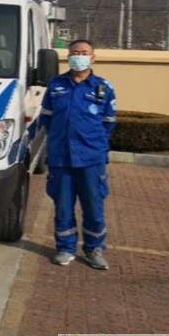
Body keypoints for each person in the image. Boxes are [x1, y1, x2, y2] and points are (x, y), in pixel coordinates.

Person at [40, 39, 116, 269]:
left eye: (84, 53)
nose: (79, 57)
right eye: (75, 53)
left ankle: (94, 249)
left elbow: (108, 123)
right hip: (61, 158)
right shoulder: (56, 85)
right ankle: (65, 248)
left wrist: (93, 144)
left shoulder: (103, 87)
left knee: (94, 207)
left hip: (91, 159)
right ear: (68, 56)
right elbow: (47, 118)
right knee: (63, 207)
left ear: (93, 57)